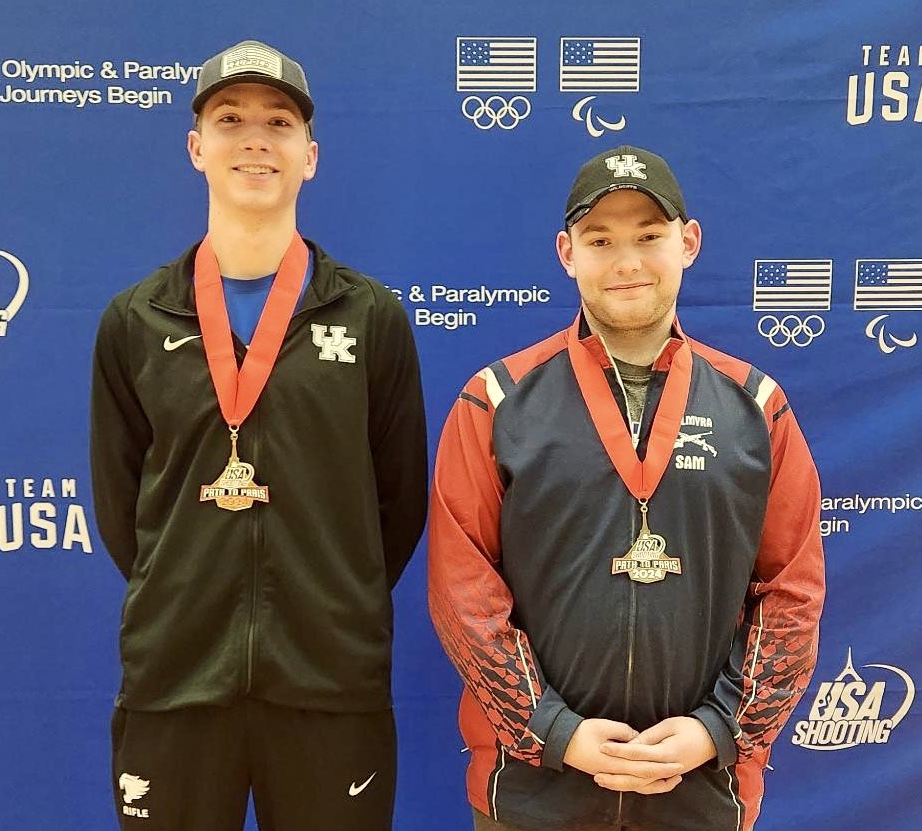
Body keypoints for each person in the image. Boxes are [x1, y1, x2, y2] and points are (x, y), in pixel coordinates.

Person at [428, 145, 824, 831]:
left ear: (688, 241)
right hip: (530, 795)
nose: (627, 261)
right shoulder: (495, 400)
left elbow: (792, 593)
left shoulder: (755, 405)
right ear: (565, 252)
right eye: (600, 240)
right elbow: (463, 593)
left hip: (700, 792)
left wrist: (717, 729)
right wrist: (555, 732)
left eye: (648, 236)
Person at [90, 39, 427, 831]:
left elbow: (398, 504)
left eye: (277, 123)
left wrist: (327, 602)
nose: (254, 138)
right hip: (175, 680)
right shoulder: (134, 321)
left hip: (329, 685)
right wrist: (186, 590)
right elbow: (121, 506)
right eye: (229, 118)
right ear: (195, 147)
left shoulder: (371, 317)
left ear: (308, 156)